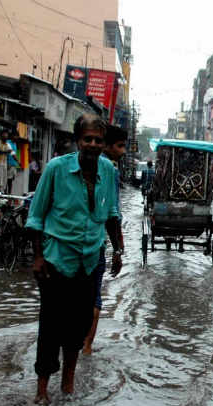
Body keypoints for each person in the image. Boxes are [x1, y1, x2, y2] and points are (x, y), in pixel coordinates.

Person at [25, 114, 122, 405]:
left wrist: (117, 249)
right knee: (51, 326)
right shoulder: (56, 169)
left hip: (90, 261)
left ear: (104, 144)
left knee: (79, 327)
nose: (92, 144)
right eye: (87, 139)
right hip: (57, 260)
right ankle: (42, 390)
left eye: (98, 140)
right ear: (78, 141)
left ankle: (68, 382)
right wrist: (38, 256)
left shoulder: (108, 170)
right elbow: (36, 215)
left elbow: (112, 214)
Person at [83, 127, 127, 355]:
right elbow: (113, 213)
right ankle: (87, 347)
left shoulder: (106, 169)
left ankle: (82, 345)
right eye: (119, 145)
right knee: (92, 297)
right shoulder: (109, 170)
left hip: (89, 244)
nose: (122, 151)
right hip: (91, 244)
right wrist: (118, 249)